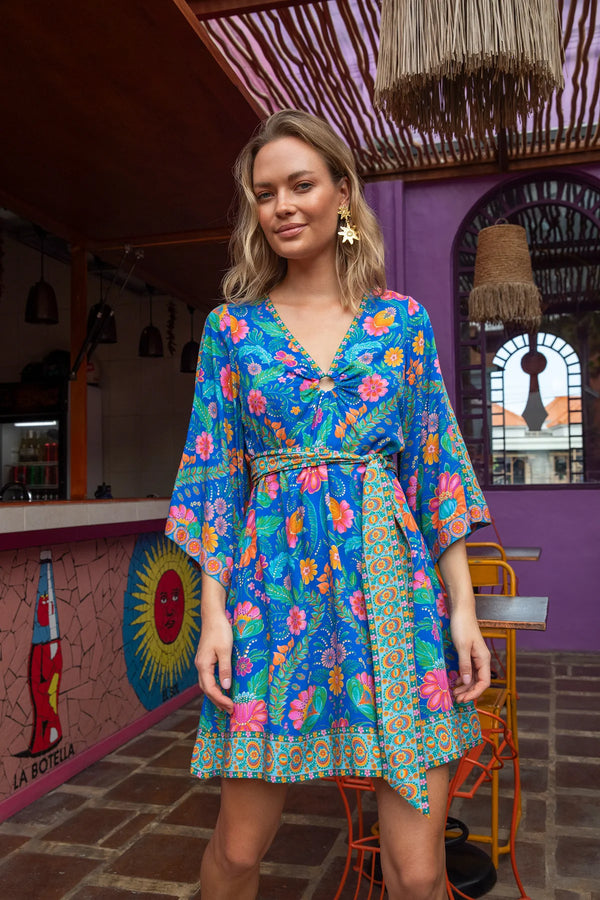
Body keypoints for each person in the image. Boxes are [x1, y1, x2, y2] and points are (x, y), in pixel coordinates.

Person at [166, 109, 492, 900]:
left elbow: (436, 469)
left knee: (417, 873)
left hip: (393, 592)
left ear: (342, 195)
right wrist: (214, 616)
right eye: (265, 192)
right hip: (269, 596)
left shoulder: (401, 323)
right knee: (239, 854)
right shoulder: (231, 330)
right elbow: (215, 477)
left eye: (300, 185)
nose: (281, 205)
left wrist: (463, 609)